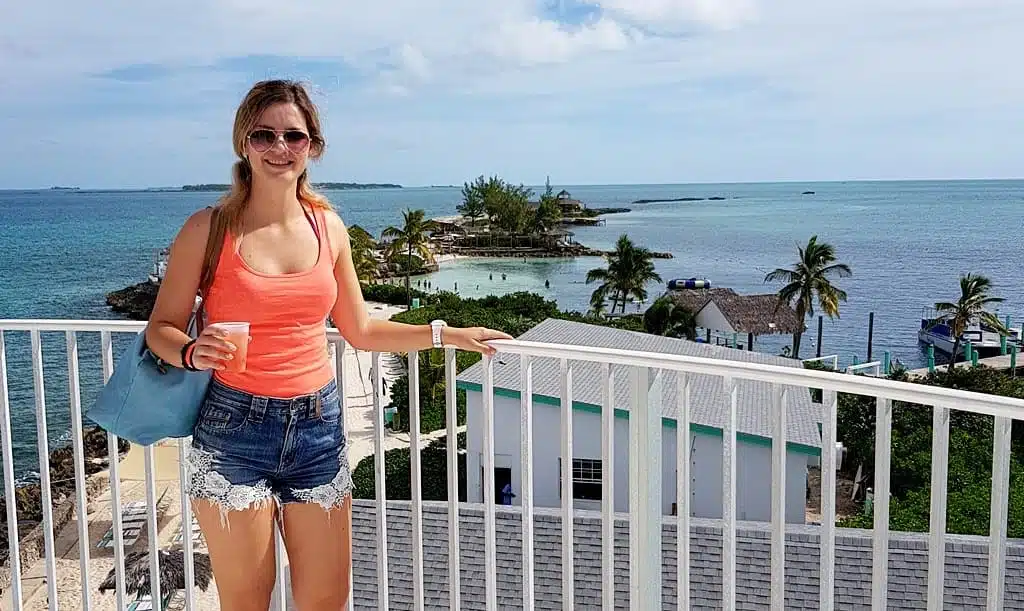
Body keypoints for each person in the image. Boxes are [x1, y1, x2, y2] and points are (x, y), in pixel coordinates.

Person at [145, 79, 511, 611]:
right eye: (264, 134)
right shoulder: (207, 229)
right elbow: (161, 328)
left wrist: (446, 334)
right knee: (246, 600)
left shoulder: (329, 227)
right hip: (231, 433)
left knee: (326, 600)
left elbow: (360, 330)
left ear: (312, 146)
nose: (279, 148)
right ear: (242, 143)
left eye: (293, 136)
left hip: (317, 427)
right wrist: (190, 352)